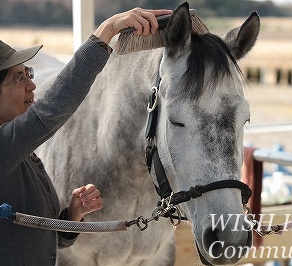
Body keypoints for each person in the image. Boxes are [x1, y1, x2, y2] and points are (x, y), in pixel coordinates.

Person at [0, 7, 172, 265]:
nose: (31, 85)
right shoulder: (5, 147)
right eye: (19, 78)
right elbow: (54, 108)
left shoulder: (20, 153)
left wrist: (72, 215)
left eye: (30, 73)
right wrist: (106, 32)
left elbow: (45, 237)